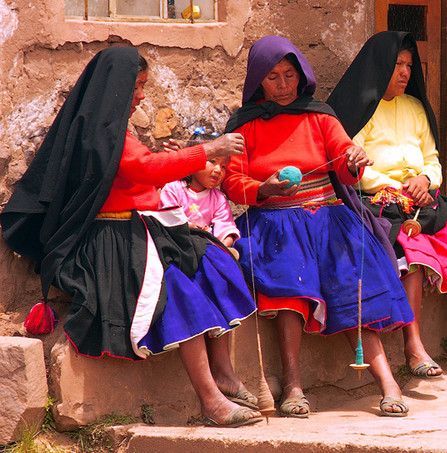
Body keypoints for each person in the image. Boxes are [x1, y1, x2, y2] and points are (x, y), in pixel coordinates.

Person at [1, 47, 262, 427]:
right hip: (113, 241)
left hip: (138, 230)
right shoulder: (101, 132)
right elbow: (143, 168)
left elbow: (144, 172)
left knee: (211, 258)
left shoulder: (113, 128)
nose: (141, 94)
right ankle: (210, 401)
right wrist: (207, 150)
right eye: (136, 86)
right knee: (180, 292)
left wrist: (180, 160)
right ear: (117, 87)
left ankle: (223, 373)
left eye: (142, 86)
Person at [223, 35, 414, 418]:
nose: (282, 84)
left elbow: (344, 161)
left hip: (328, 217)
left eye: (289, 75)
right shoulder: (245, 126)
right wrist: (263, 188)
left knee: (353, 285)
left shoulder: (320, 116)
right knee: (291, 289)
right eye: (273, 77)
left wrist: (355, 159)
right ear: (259, 80)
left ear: (301, 75)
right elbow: (231, 181)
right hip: (275, 221)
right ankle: (293, 385)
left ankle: (388, 384)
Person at [329, 31, 447, 380]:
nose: (405, 72)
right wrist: (396, 187)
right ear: (379, 68)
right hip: (379, 202)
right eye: (397, 65)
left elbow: (432, 160)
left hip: (422, 203)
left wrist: (425, 181)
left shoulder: (415, 107)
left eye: (409, 65)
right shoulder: (359, 108)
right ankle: (414, 347)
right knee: (414, 257)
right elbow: (352, 167)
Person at [159, 132, 240, 256]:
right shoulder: (173, 189)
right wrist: (189, 226)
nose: (218, 170)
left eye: (223, 166)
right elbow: (168, 218)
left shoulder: (218, 199)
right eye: (212, 161)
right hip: (178, 247)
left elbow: (225, 225)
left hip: (206, 248)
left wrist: (224, 245)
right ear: (194, 159)